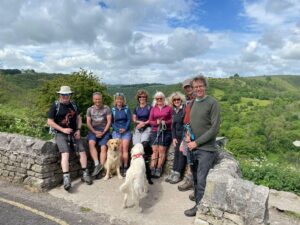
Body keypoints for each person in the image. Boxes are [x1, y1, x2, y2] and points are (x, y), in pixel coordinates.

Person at [184, 75, 221, 217]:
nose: (198, 89)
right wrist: (188, 135)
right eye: (195, 87)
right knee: (195, 178)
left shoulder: (213, 103)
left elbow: (214, 129)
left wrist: (196, 142)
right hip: (193, 148)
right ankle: (199, 202)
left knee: (201, 180)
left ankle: (199, 209)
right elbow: (188, 123)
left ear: (205, 86)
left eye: (200, 86)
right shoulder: (192, 103)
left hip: (206, 149)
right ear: (192, 89)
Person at [47, 86, 92, 191]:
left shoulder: (74, 105)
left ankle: (85, 174)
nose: (65, 97)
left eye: (67, 95)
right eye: (63, 95)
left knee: (82, 151)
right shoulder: (55, 105)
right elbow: (49, 121)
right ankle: (66, 178)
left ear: (70, 95)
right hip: (61, 133)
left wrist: (79, 129)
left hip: (74, 133)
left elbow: (79, 118)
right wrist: (63, 130)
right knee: (65, 153)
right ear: (60, 95)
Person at [86, 92, 111, 178]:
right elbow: (88, 122)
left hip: (104, 130)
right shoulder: (89, 109)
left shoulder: (106, 108)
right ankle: (97, 164)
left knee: (103, 147)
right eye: (96, 99)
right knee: (91, 143)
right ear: (93, 100)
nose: (98, 101)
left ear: (101, 99)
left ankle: (101, 167)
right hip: (93, 130)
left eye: (99, 99)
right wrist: (95, 132)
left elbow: (109, 121)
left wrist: (103, 132)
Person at [148, 91, 173, 178]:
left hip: (165, 131)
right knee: (155, 150)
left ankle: (159, 168)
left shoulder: (169, 108)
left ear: (163, 98)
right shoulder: (153, 108)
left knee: (161, 150)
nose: (159, 100)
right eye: (157, 98)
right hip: (155, 131)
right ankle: (152, 168)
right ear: (155, 99)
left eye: (160, 98)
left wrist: (164, 122)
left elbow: (172, 119)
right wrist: (156, 123)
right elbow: (150, 120)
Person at [132, 89, 153, 184]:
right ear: (138, 98)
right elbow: (134, 119)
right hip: (138, 127)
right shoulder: (136, 108)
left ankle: (146, 167)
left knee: (144, 145)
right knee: (136, 147)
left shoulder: (149, 107)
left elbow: (151, 119)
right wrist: (139, 123)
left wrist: (144, 123)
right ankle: (135, 168)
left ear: (146, 98)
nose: (142, 98)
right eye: (140, 97)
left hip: (147, 128)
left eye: (144, 97)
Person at [178, 78, 195, 192]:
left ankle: (194, 184)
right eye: (186, 87)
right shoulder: (187, 101)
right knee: (189, 157)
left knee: (194, 158)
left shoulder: (198, 100)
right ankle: (190, 181)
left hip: (195, 133)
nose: (188, 89)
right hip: (187, 132)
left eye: (189, 86)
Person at [165, 92, 186, 184]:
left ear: (181, 100)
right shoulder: (174, 111)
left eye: (178, 99)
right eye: (175, 100)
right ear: (172, 101)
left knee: (181, 155)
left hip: (184, 136)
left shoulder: (184, 110)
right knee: (176, 154)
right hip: (176, 137)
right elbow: (173, 126)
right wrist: (173, 138)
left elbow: (187, 125)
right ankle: (173, 172)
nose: (176, 101)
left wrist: (184, 140)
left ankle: (178, 174)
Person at [111, 92, 131, 176]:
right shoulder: (113, 110)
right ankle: (120, 167)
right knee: (119, 149)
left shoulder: (126, 109)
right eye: (117, 99)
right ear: (115, 100)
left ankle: (125, 167)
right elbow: (111, 122)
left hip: (126, 131)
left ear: (123, 100)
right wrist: (117, 129)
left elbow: (129, 120)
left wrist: (125, 129)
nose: (119, 100)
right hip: (116, 132)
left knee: (125, 149)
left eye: (121, 99)